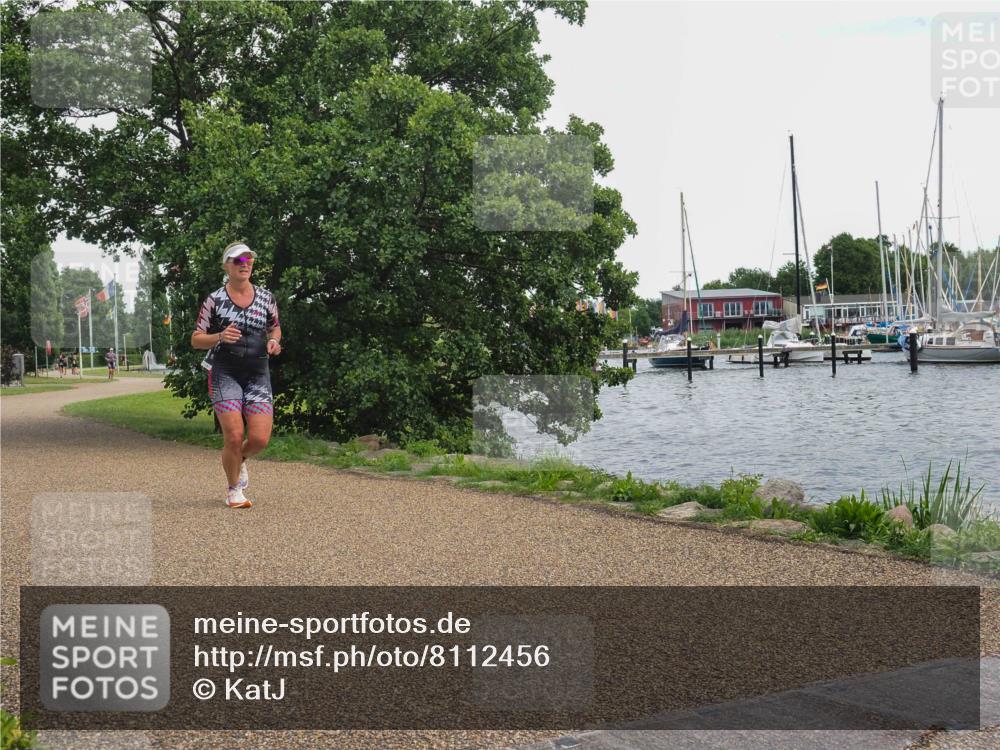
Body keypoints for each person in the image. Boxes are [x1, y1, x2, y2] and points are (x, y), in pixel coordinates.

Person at [191, 242, 282, 509]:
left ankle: (238, 459)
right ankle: (234, 490)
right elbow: (196, 339)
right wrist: (220, 336)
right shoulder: (215, 299)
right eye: (238, 260)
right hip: (225, 373)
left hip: (257, 374)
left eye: (248, 260)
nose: (245, 264)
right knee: (233, 435)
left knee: (259, 439)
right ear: (226, 266)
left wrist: (274, 341)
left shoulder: (266, 297)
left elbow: (275, 328)